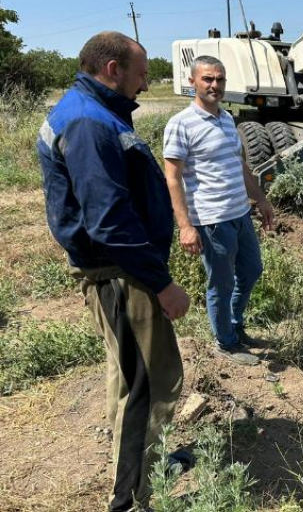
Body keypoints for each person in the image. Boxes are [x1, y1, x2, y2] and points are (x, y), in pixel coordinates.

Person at [37, 31, 190, 512]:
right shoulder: (88, 123)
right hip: (120, 274)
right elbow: (108, 221)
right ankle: (128, 500)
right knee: (149, 385)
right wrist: (162, 284)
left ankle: (145, 464)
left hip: (119, 270)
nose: (146, 84)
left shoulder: (93, 112)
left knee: (128, 376)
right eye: (142, 74)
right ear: (112, 69)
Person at [163, 55, 274, 366]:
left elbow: (239, 165)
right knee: (221, 283)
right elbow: (172, 177)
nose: (215, 85)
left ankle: (235, 326)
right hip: (212, 221)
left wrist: (261, 199)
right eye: (208, 79)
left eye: (220, 79)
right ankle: (226, 342)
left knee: (251, 270)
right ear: (192, 82)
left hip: (239, 214)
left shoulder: (226, 119)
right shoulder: (180, 124)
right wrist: (185, 226)